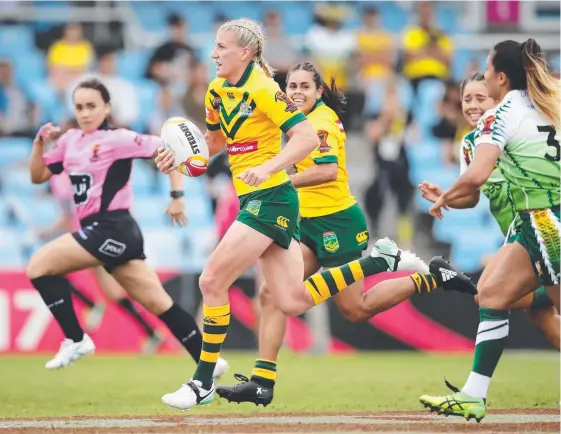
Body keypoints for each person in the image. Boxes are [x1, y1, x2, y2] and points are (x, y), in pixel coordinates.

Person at [155, 19, 475, 410]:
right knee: (287, 300)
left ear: (246, 52)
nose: (213, 53)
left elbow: (310, 147)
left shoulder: (268, 92)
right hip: (288, 210)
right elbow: (216, 143)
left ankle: (203, 380)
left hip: (301, 209)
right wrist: (182, 157)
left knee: (212, 280)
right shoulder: (216, 89)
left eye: (222, 46)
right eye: (293, 85)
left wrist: (273, 169)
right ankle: (265, 379)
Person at [28, 78, 229, 378]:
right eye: (79, 107)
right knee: (159, 303)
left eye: (92, 106)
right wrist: (38, 144)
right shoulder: (69, 141)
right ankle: (210, 362)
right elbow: (38, 175)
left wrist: (177, 197)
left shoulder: (120, 138)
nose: (85, 113)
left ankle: (76, 338)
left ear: (107, 107)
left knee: (38, 266)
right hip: (104, 232)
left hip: (113, 227)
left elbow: (169, 150)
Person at [419, 39, 560, 422]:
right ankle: (473, 395)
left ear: (500, 76)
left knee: (512, 299)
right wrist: (450, 195)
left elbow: (477, 176)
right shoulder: (548, 99)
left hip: (546, 220)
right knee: (492, 294)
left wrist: (443, 196)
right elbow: (477, 185)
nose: (474, 102)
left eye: (486, 68)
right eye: (467, 97)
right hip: (532, 223)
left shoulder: (502, 115)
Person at [43, 171, 165, 353]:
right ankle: (151, 332)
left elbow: (69, 215)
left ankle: (91, 305)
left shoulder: (66, 176)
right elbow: (69, 214)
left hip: (91, 237)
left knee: (48, 271)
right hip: (95, 236)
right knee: (114, 293)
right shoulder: (69, 174)